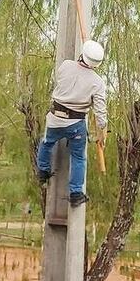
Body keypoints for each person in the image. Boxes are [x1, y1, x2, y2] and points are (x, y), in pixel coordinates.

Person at [36, 39, 107, 207]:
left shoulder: (65, 66)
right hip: (76, 124)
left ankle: (43, 171)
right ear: (97, 64)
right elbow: (100, 112)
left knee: (46, 143)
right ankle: (76, 193)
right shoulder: (97, 83)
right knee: (78, 157)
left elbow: (62, 79)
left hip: (55, 118)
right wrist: (102, 130)